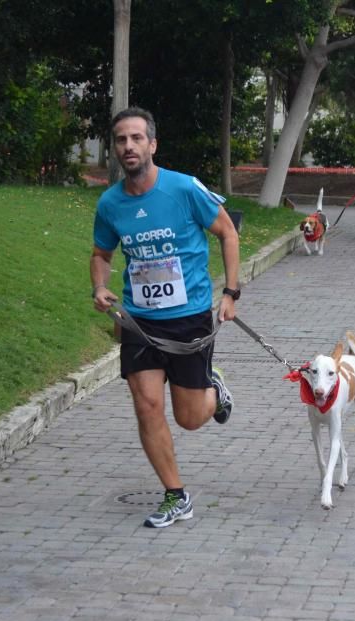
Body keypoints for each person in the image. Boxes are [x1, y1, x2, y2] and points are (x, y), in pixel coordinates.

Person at [90, 107, 241, 528]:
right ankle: (175, 495)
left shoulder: (184, 188)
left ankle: (215, 390)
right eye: (121, 140)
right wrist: (100, 286)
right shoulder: (110, 203)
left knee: (190, 418)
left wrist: (230, 293)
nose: (129, 146)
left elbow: (228, 232)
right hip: (139, 320)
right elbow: (101, 255)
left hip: (188, 317)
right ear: (115, 149)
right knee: (147, 405)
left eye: (137, 138)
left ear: (152, 145)